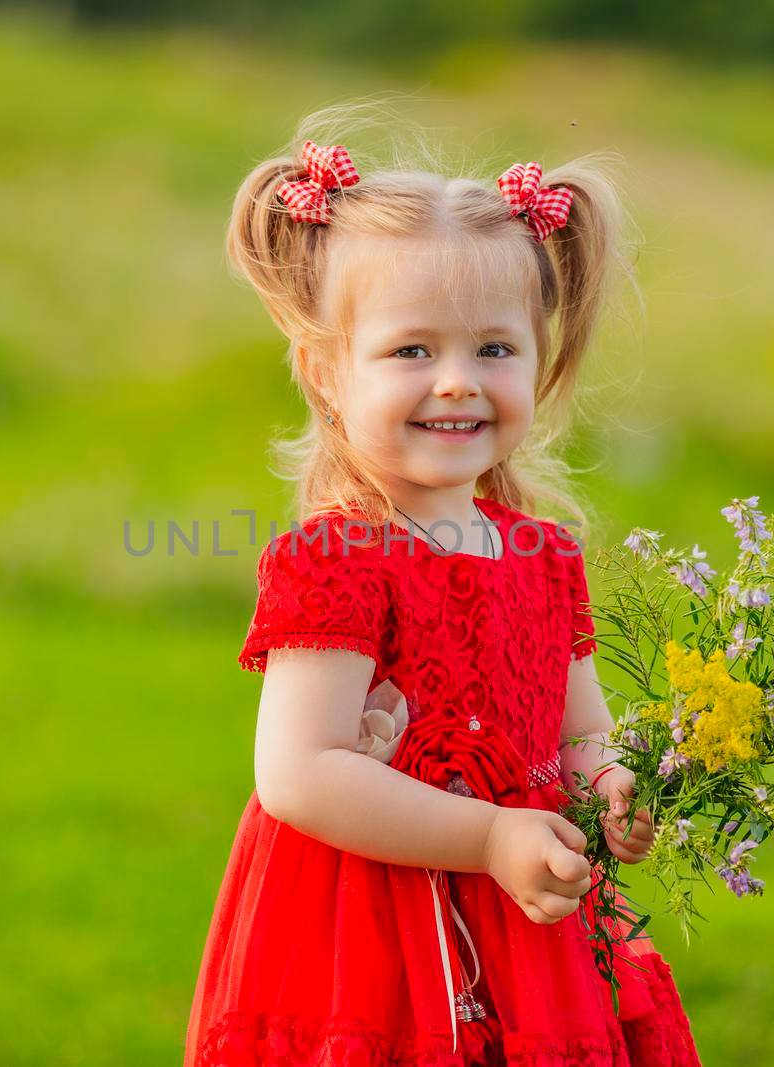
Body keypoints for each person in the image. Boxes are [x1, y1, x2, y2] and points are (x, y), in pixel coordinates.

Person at [185, 110, 702, 1066]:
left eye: (494, 350)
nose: (458, 382)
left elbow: (576, 730)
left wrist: (611, 786)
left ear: (539, 364)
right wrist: (488, 840)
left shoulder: (545, 557)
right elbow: (300, 773)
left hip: (528, 931)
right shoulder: (339, 560)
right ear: (327, 373)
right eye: (412, 351)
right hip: (367, 940)